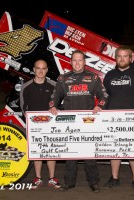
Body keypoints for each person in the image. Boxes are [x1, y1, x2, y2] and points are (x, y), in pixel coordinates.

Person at [48, 49, 108, 193]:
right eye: (74, 60)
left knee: (89, 154)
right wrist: (53, 107)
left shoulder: (93, 78)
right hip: (70, 123)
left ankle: (94, 182)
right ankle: (69, 182)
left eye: (80, 60)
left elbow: (104, 95)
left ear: (84, 62)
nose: (77, 62)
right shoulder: (63, 79)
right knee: (71, 154)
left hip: (88, 122)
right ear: (70, 62)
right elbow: (54, 96)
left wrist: (100, 105)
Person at [102, 45, 134, 193]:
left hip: (131, 120)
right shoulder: (109, 75)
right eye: (119, 56)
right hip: (112, 119)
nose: (122, 59)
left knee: (132, 150)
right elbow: (104, 97)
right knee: (114, 149)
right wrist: (102, 115)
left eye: (125, 56)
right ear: (115, 58)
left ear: (130, 58)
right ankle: (114, 178)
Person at [19, 59, 61, 189]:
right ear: (34, 69)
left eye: (43, 68)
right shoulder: (26, 87)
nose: (41, 71)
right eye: (38, 68)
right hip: (34, 126)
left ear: (47, 70)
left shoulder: (54, 85)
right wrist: (27, 116)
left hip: (50, 125)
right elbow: (23, 106)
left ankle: (52, 177)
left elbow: (59, 103)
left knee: (50, 151)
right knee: (37, 152)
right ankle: (37, 177)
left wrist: (56, 109)